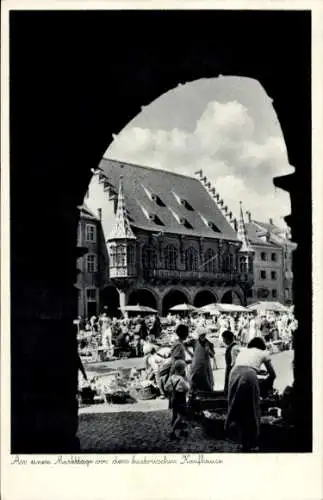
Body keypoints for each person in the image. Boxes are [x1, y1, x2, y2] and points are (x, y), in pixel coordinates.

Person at [225, 337, 276, 452]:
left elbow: (244, 366)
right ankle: (252, 441)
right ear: (262, 346)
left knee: (235, 405)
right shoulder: (264, 353)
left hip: (234, 373)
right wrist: (267, 386)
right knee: (252, 408)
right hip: (249, 374)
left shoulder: (243, 351)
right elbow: (273, 374)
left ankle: (237, 436)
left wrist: (257, 371)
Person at [164, 359, 190, 440]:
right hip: (181, 399)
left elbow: (165, 387)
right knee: (181, 416)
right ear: (182, 370)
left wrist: (172, 389)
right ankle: (172, 432)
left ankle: (182, 430)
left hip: (173, 399)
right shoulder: (181, 380)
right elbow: (187, 388)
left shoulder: (171, 378)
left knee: (176, 415)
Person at [190, 327, 215, 393]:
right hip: (196, 365)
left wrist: (209, 351)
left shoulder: (209, 343)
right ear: (199, 335)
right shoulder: (194, 342)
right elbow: (183, 344)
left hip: (205, 366)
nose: (203, 336)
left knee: (206, 381)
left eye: (204, 335)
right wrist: (190, 354)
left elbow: (212, 355)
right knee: (195, 380)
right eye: (201, 335)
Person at [222, 330, 240, 396]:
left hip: (232, 370)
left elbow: (234, 362)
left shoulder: (234, 348)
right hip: (229, 369)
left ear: (227, 339)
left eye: (223, 339)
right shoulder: (230, 346)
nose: (223, 341)